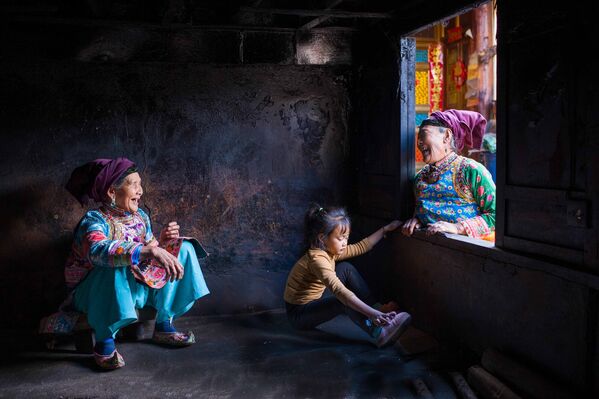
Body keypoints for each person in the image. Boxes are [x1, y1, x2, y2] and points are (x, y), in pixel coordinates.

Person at [41, 157, 210, 370]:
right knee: (114, 264)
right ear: (112, 192)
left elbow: (151, 250)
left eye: (140, 184)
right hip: (95, 293)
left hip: (135, 286)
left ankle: (164, 323)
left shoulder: (140, 217)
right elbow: (98, 251)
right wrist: (150, 250)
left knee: (182, 248)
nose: (141, 190)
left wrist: (163, 243)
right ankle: (105, 341)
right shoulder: (94, 221)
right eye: (134, 184)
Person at [284, 204, 411, 348]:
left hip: (316, 300)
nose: (345, 243)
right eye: (340, 238)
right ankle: (379, 331)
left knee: (345, 268)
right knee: (342, 301)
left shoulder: (328, 249)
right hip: (299, 315)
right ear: (322, 238)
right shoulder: (317, 259)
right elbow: (340, 291)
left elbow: (361, 247)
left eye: (346, 237)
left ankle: (377, 309)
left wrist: (384, 230)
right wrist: (371, 314)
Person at [402, 109, 496, 241]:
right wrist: (417, 220)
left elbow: (497, 215)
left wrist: (458, 228)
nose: (419, 142)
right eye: (418, 138)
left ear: (447, 136)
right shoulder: (419, 178)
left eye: (424, 134)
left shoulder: (470, 170)